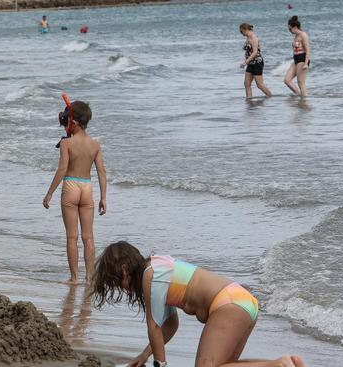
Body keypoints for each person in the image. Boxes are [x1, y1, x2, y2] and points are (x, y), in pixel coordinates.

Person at [91, 241, 306, 367]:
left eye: (116, 281)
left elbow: (154, 327)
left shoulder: (151, 275)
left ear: (125, 270)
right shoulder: (158, 270)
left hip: (228, 304)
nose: (120, 287)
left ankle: (280, 365)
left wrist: (160, 366)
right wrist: (144, 355)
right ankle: (286, 364)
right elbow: (170, 325)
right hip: (242, 301)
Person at [42, 100, 107, 285]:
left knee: (72, 236)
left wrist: (49, 193)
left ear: (74, 122)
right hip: (87, 187)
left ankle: (74, 278)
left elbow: (62, 169)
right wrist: (103, 197)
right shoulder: (95, 145)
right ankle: (89, 278)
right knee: (88, 237)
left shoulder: (67, 143)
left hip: (70, 186)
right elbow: (101, 171)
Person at [238, 23, 272, 99]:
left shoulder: (253, 37)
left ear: (245, 29)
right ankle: (249, 100)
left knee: (259, 85)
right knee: (247, 84)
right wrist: (247, 62)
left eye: (241, 31)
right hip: (250, 63)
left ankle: (271, 97)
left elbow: (255, 52)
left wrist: (245, 62)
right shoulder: (248, 37)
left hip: (257, 63)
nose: (241, 34)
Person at [284, 16, 310, 97]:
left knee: (301, 82)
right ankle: (299, 95)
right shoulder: (296, 36)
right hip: (296, 60)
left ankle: (304, 100)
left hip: (303, 59)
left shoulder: (303, 35)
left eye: (290, 29)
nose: (289, 31)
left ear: (295, 27)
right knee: (287, 80)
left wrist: (306, 63)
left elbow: (308, 50)